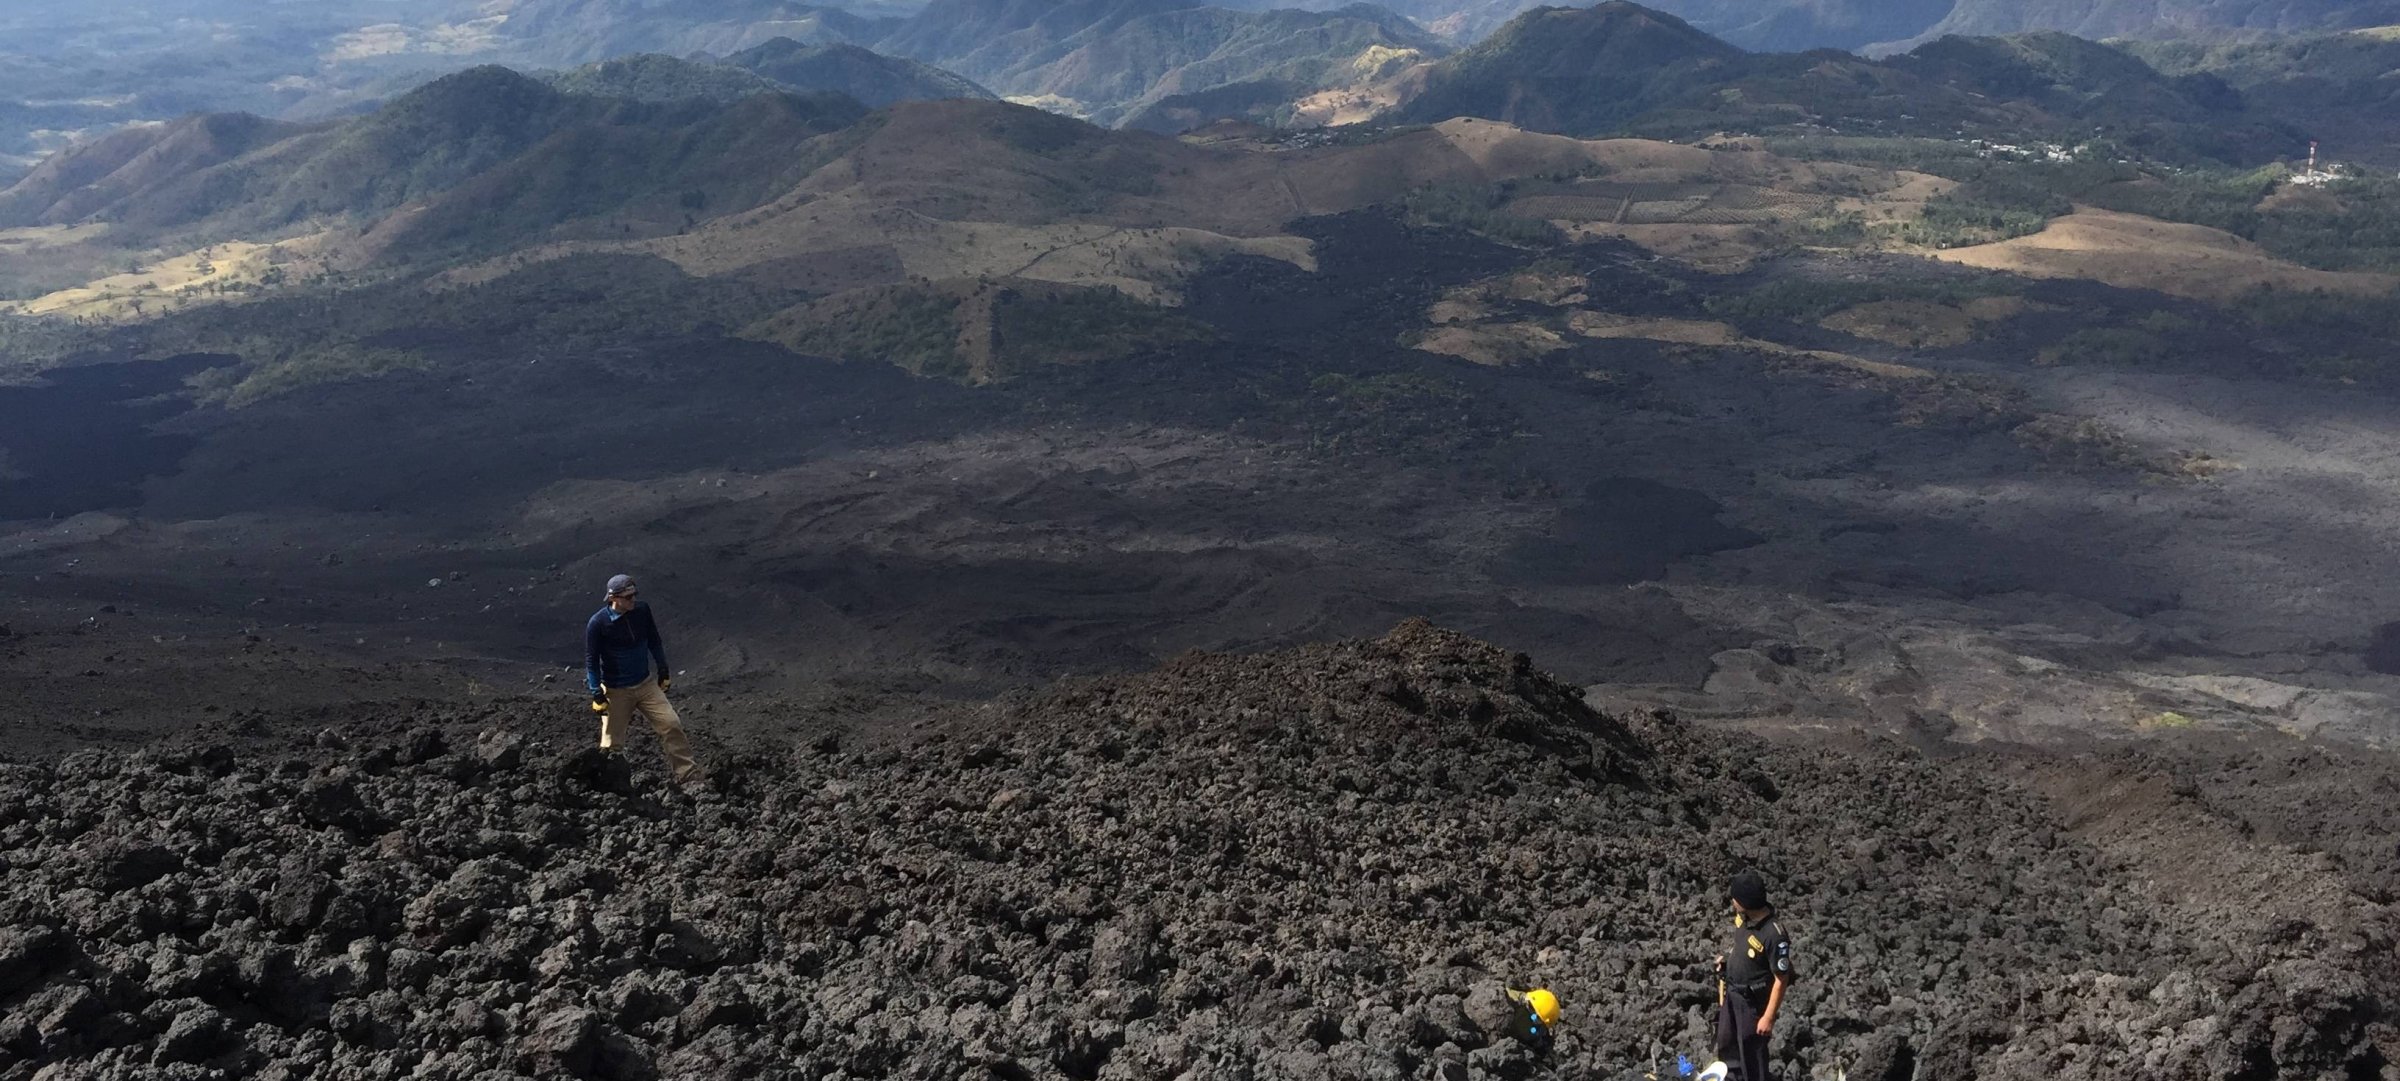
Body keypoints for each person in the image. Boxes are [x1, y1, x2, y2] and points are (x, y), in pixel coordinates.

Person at [584, 573, 699, 783]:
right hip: (616, 689)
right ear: (613, 598)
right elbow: (592, 660)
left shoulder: (642, 611)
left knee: (671, 724)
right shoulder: (598, 623)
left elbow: (654, 640)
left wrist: (663, 669)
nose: (633, 600)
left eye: (634, 595)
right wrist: (596, 693)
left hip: (645, 684)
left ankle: (689, 776)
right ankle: (610, 786)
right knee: (611, 745)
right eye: (628, 597)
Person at [1713, 869, 1794, 1081]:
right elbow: (1741, 945)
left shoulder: (1774, 935)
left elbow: (1781, 979)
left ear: (1747, 902)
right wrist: (1728, 961)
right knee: (1727, 1043)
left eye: (1736, 898)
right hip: (1732, 993)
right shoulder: (1743, 918)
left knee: (1751, 1053)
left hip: (1752, 1003)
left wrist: (1768, 1017)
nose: (1732, 901)